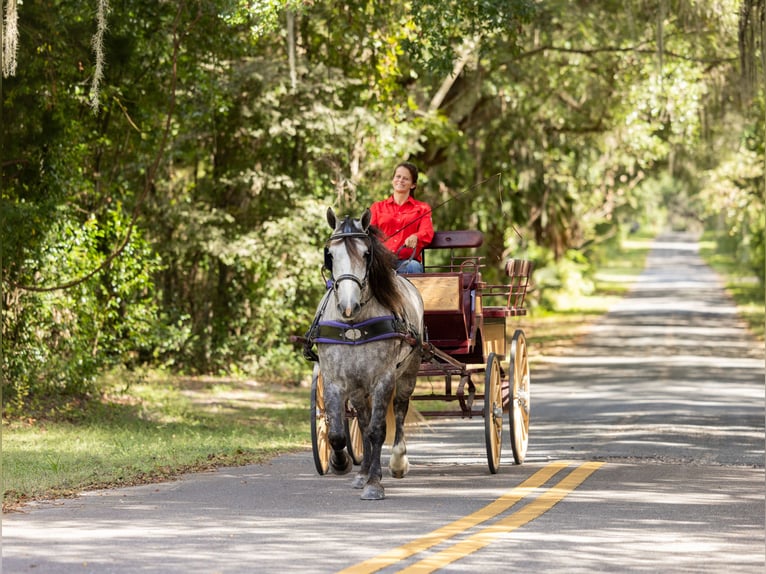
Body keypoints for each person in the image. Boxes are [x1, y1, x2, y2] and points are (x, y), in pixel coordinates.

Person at [370, 161, 434, 274]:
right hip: (381, 262)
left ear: (413, 185)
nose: (400, 180)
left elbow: (427, 232)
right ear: (392, 180)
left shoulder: (422, 208)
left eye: (406, 178)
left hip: (406, 263)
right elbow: (369, 234)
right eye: (398, 176)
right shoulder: (377, 207)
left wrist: (416, 236)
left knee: (413, 267)